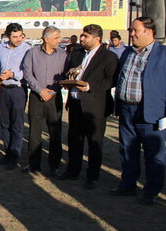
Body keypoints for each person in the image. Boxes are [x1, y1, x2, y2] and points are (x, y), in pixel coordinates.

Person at [110, 17, 166, 205]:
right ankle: (127, 185)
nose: (131, 34)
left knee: (153, 153)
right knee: (127, 149)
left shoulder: (162, 54)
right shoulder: (127, 52)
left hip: (151, 112)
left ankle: (151, 191)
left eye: (135, 30)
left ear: (149, 31)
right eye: (131, 30)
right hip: (127, 109)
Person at [58, 24, 118, 189]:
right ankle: (72, 170)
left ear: (96, 38)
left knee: (94, 143)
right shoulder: (77, 54)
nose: (81, 39)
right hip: (76, 103)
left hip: (95, 106)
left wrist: (90, 86)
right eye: (82, 35)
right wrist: (67, 81)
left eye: (85, 36)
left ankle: (93, 176)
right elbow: (70, 72)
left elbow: (110, 80)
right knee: (74, 140)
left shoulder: (109, 57)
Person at [22, 26, 67, 176]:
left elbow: (64, 76)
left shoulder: (63, 54)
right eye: (56, 38)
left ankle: (54, 165)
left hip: (54, 99)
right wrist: (39, 90)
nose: (59, 41)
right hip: (36, 97)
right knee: (34, 132)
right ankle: (34, 164)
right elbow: (27, 73)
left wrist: (52, 91)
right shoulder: (32, 53)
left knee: (55, 133)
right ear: (46, 39)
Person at [0, 23, 31, 169]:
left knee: (16, 124)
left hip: (18, 89)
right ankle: (7, 153)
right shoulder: (0, 48)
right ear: (8, 36)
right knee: (5, 123)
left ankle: (14, 156)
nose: (18, 39)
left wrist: (13, 74)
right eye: (14, 37)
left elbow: (28, 71)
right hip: (3, 89)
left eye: (20, 36)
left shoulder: (27, 49)